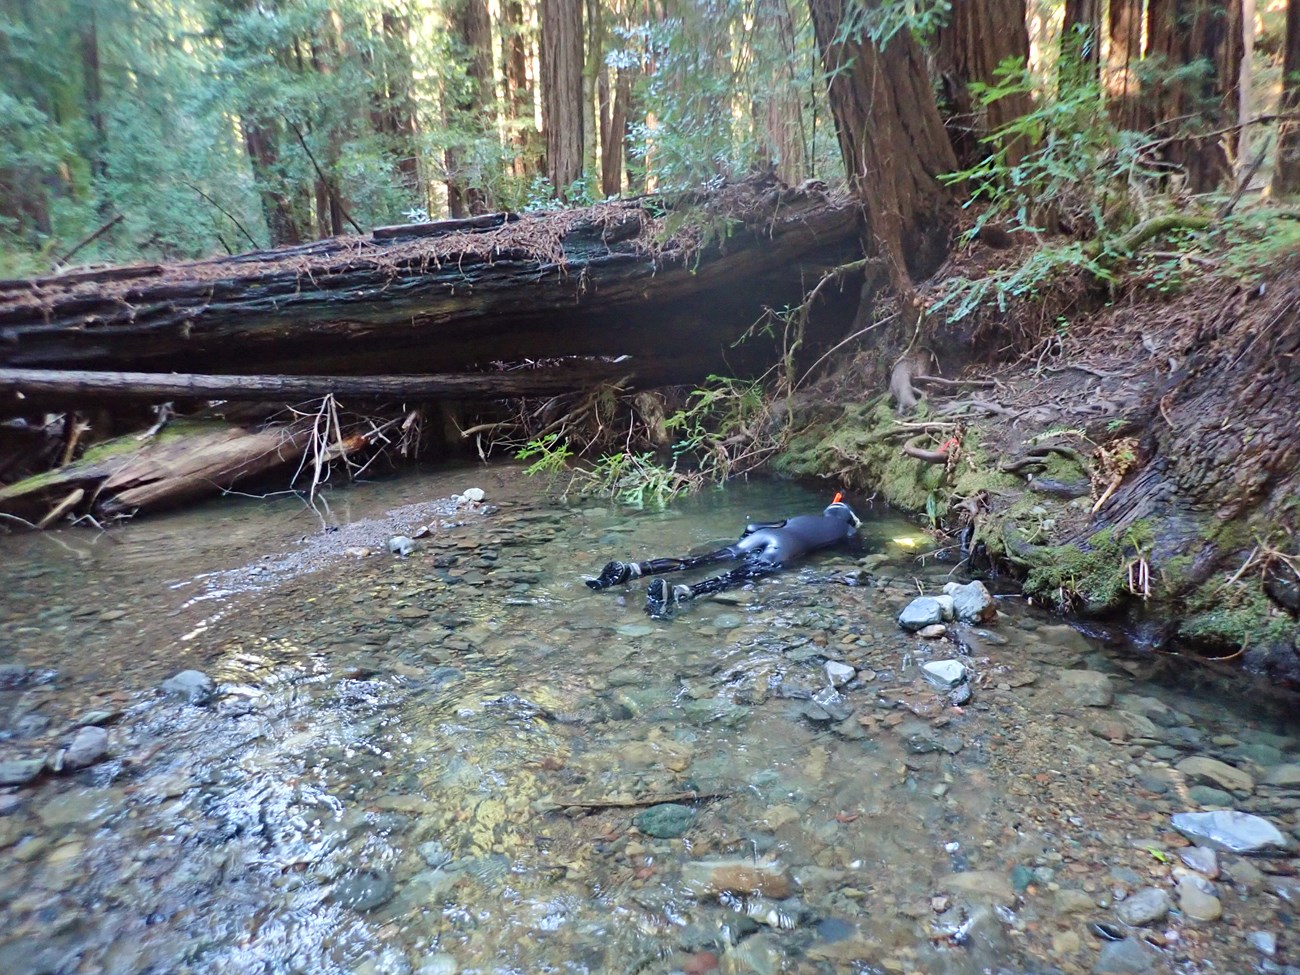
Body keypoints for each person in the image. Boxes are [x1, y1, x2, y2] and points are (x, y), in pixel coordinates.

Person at [586, 494, 862, 617]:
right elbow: (855, 550)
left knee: (697, 561)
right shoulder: (844, 529)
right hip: (787, 548)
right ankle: (683, 593)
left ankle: (632, 570)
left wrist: (741, 547)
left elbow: (752, 526)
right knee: (737, 576)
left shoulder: (802, 516)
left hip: (763, 536)